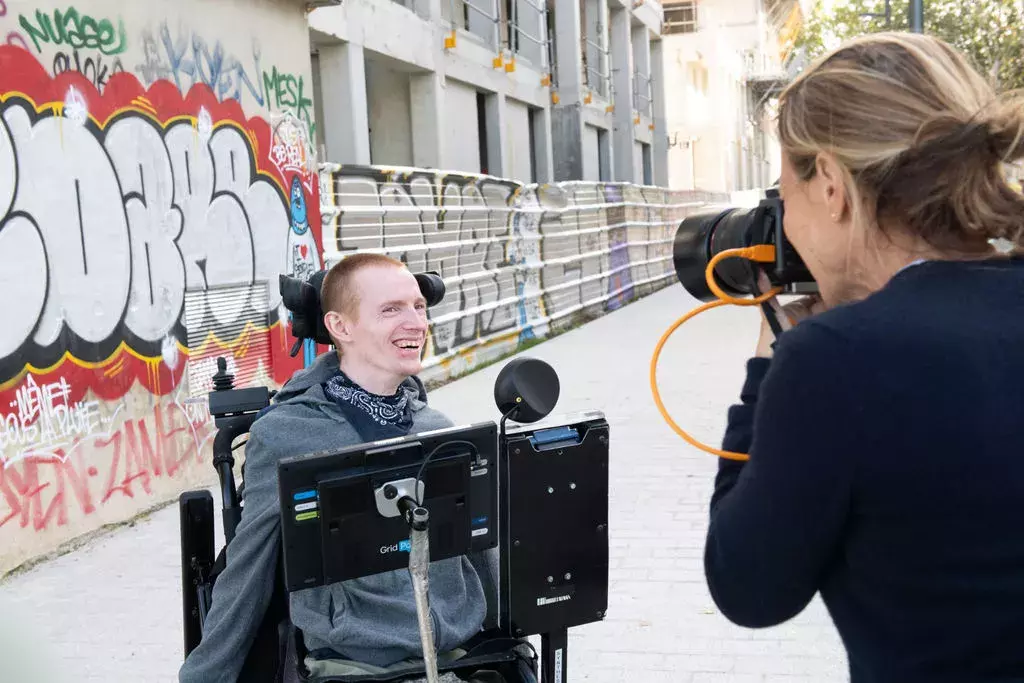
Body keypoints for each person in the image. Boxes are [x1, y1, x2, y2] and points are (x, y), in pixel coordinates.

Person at [702, 32, 1024, 682]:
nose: (783, 225)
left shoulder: (834, 361)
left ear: (830, 184)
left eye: (782, 195)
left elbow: (748, 584)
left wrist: (769, 362)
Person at [180, 253, 493, 683]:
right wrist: (205, 675)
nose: (416, 323)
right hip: (354, 663)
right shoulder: (292, 433)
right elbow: (248, 563)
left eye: (418, 306)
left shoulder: (434, 428)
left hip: (453, 654)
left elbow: (479, 546)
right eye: (391, 309)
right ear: (340, 327)